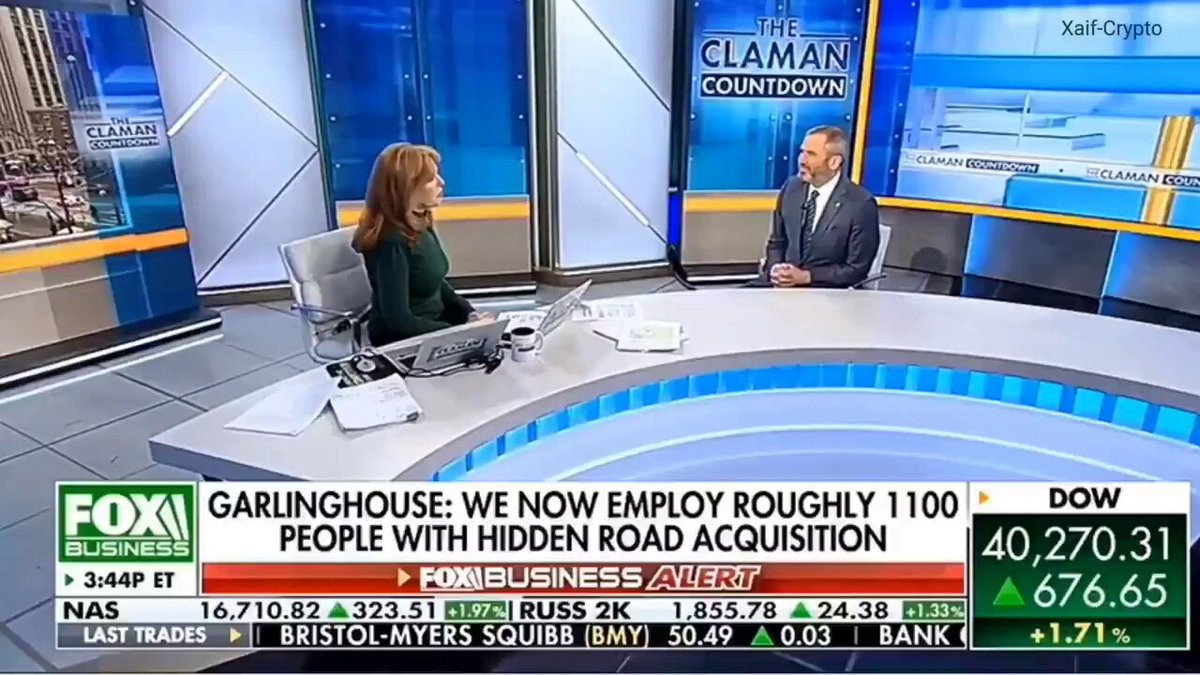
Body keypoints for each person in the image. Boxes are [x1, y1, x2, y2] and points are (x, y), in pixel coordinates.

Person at [352, 143, 491, 346]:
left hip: (435, 326)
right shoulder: (391, 242)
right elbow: (398, 321)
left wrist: (469, 314)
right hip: (403, 339)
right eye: (431, 179)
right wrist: (457, 332)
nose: (441, 183)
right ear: (407, 187)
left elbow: (436, 283)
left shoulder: (420, 222)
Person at [753, 126, 881, 288]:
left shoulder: (860, 204)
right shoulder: (791, 188)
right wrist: (776, 268)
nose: (802, 160)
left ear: (834, 162)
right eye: (802, 152)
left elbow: (856, 270)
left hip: (827, 292)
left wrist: (807, 277)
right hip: (781, 288)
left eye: (811, 154)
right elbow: (777, 242)